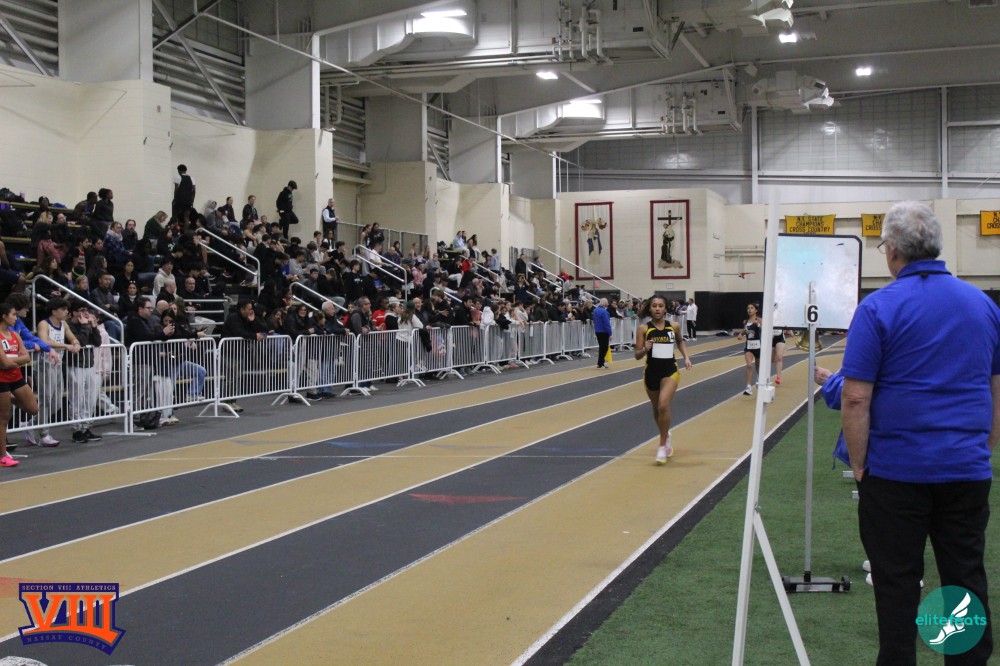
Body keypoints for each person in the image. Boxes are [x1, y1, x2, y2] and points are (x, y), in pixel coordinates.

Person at [841, 201, 999, 665]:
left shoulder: (878, 307)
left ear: (892, 250)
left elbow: (855, 398)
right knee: (964, 580)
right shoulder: (983, 305)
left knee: (897, 583)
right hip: (965, 469)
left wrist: (858, 464)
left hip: (896, 473)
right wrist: (984, 445)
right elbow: (996, 387)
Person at [634, 295, 692, 465]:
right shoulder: (643, 329)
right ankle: (665, 435)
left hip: (670, 370)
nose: (657, 309)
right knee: (657, 409)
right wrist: (645, 349)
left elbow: (680, 341)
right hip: (651, 372)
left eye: (660, 306)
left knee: (663, 405)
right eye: (654, 306)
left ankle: (662, 445)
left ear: (666, 308)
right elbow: (637, 355)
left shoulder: (673, 326)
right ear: (650, 308)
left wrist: (686, 357)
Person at [29, 298, 81, 447]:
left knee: (57, 403)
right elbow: (44, 341)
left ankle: (32, 423)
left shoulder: (64, 324)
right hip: (45, 364)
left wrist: (76, 343)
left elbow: (72, 337)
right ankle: (44, 434)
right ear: (54, 311)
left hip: (57, 365)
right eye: (63, 309)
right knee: (46, 399)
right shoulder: (44, 324)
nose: (67, 312)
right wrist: (66, 346)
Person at [0, 302, 39, 467]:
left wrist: (11, 360)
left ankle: (10, 398)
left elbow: (27, 357)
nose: (16, 318)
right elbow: (4, 364)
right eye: (13, 315)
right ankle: (2, 455)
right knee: (3, 418)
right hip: (1, 379)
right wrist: (15, 360)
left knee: (33, 408)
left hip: (16, 377)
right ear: (4, 316)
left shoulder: (15, 335)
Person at [66, 302, 103, 442]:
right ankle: (76, 430)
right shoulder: (69, 326)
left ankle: (86, 427)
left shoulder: (87, 325)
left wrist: (93, 327)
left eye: (87, 310)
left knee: (90, 398)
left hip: (89, 364)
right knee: (77, 398)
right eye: (82, 310)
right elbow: (80, 342)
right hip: (75, 365)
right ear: (74, 313)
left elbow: (97, 342)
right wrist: (85, 326)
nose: (86, 313)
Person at [736, 303, 762, 396]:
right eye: (748, 308)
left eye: (752, 308)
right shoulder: (745, 321)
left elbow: (765, 329)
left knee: (758, 367)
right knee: (749, 365)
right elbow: (745, 330)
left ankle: (759, 379)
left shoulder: (759, 320)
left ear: (756, 310)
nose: (749, 310)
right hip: (749, 347)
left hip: (758, 347)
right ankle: (748, 387)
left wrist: (759, 325)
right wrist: (740, 334)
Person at [593, 297, 612, 369]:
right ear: (605, 304)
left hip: (597, 331)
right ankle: (600, 363)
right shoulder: (604, 312)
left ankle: (601, 363)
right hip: (604, 331)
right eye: (607, 304)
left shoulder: (595, 310)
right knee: (604, 348)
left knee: (601, 347)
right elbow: (607, 323)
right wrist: (610, 333)